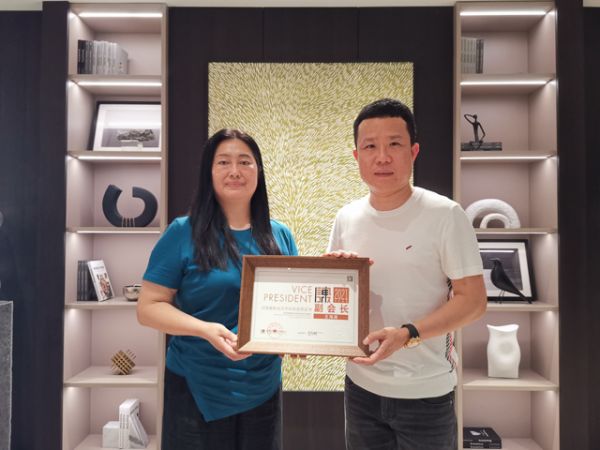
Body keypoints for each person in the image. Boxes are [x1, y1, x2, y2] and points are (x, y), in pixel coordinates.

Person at [327, 98, 487, 450]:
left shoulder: (446, 215)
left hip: (426, 392)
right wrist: (336, 278)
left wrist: (408, 334)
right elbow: (341, 299)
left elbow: (473, 302)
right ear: (356, 156)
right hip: (360, 388)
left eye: (394, 144)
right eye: (370, 146)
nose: (382, 157)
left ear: (413, 151)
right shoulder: (346, 217)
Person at [137, 128, 298, 450]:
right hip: (197, 385)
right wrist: (205, 330)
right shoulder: (183, 232)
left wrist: (295, 337)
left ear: (258, 171)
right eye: (223, 162)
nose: (235, 171)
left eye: (245, 162)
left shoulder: (280, 235)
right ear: (208, 172)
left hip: (262, 387)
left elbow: (290, 306)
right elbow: (148, 307)